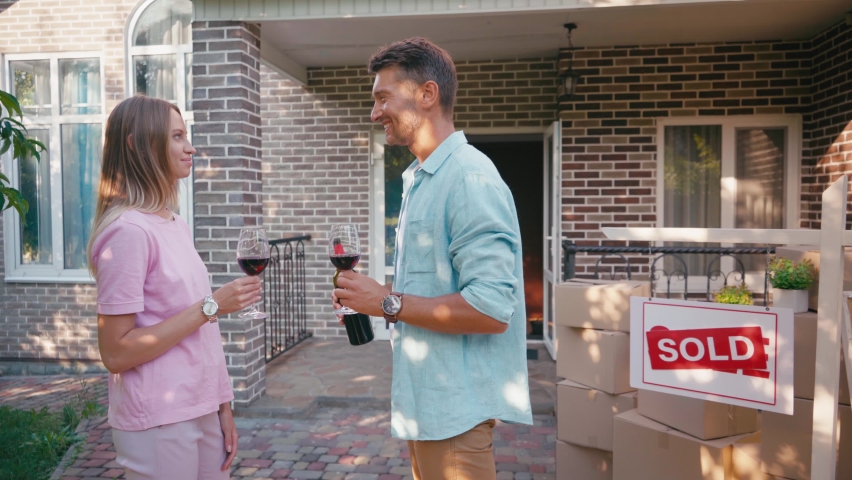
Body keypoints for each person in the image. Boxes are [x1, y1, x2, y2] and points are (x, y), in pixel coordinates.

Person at [332, 37, 533, 479]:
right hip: (428, 410)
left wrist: (386, 303)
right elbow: (428, 293)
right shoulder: (422, 179)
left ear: (426, 94)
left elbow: (491, 308)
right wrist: (373, 298)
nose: (374, 112)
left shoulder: (469, 179)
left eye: (383, 97)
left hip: (455, 418)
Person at [88, 95, 262, 479]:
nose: (190, 147)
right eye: (177, 136)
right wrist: (210, 307)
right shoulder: (128, 232)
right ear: (138, 145)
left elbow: (202, 338)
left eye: (187, 135)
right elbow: (115, 353)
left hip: (199, 409)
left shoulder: (174, 224)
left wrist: (222, 404)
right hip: (159, 419)